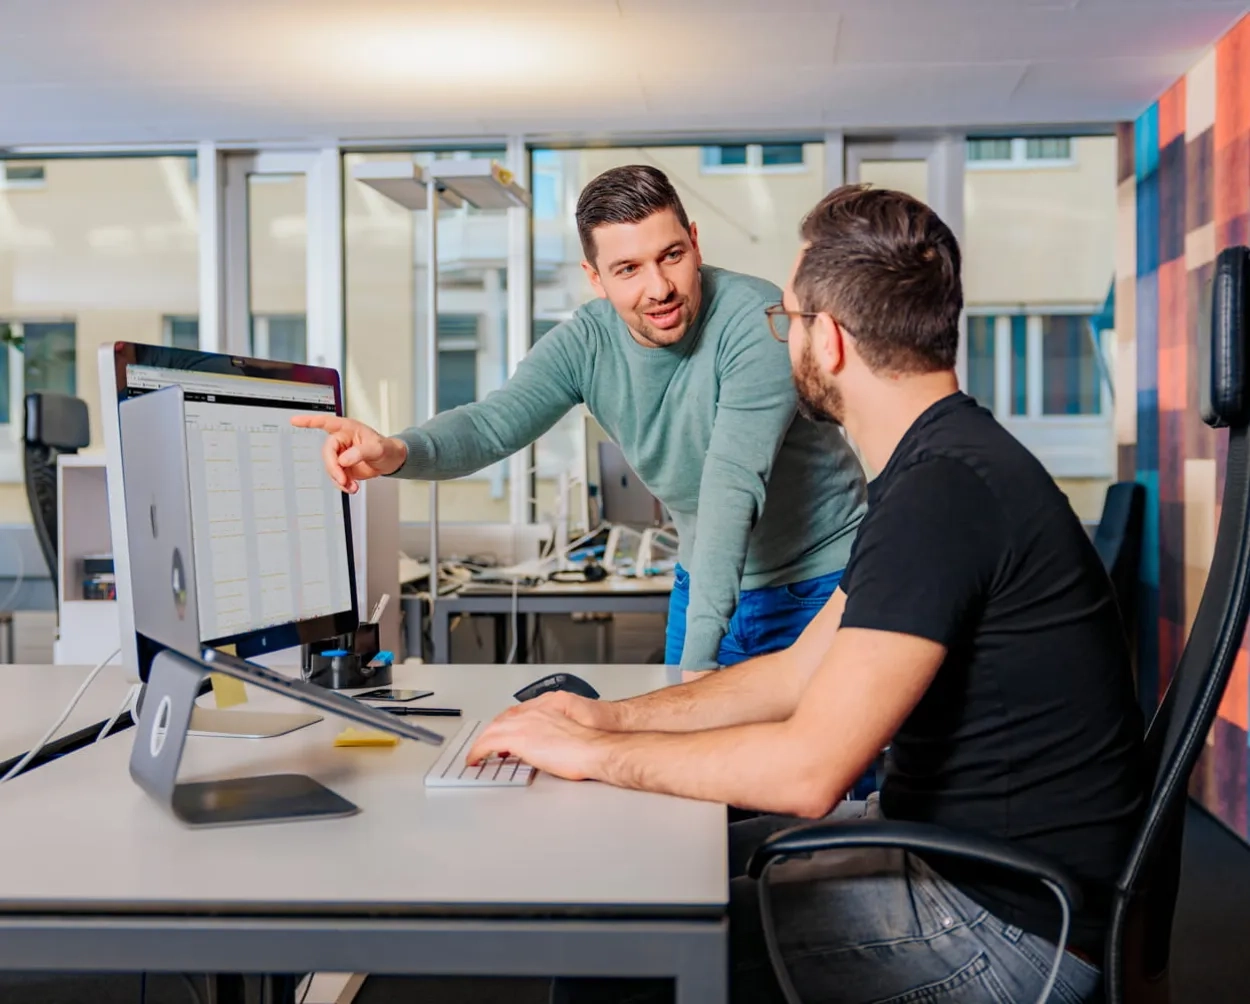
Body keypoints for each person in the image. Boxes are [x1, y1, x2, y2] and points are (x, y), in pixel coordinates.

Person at [467, 185, 1146, 1003]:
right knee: (659, 859)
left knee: (619, 941)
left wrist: (589, 756)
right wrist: (607, 718)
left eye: (785, 320)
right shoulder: (936, 470)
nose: (780, 337)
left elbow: (808, 773)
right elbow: (795, 672)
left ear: (827, 340)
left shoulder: (944, 495)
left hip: (1004, 928)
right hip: (964, 862)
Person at [295, 165, 866, 673]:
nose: (659, 288)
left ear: (694, 243)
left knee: (823, 785)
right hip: (708, 578)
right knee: (688, 781)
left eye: (671, 256)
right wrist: (395, 451)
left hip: (819, 580)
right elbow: (493, 424)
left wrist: (696, 670)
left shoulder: (756, 320)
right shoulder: (587, 341)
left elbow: (730, 490)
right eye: (627, 269)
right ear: (595, 278)